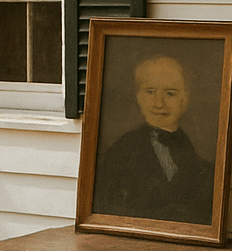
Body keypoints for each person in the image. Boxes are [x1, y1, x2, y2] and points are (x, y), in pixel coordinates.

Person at [92, 54, 216, 225]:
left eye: (170, 93)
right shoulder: (121, 152)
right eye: (150, 92)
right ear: (139, 97)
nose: (159, 103)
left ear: (185, 98)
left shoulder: (195, 152)